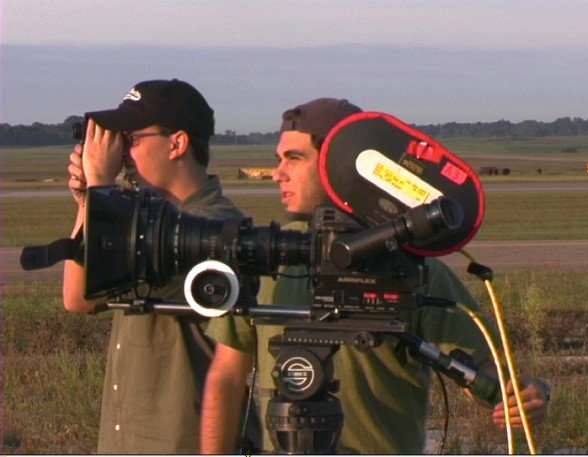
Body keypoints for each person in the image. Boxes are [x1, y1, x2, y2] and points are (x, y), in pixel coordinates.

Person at [200, 98, 551, 454]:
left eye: (294, 158)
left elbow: (487, 374)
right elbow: (227, 376)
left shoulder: (414, 271)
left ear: (339, 165)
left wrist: (527, 395)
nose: (278, 173)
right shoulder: (268, 259)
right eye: (278, 159)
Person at [62, 79, 246, 454]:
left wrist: (102, 186)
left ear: (177, 143)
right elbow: (77, 300)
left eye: (131, 141)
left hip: (178, 440)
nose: (123, 156)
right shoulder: (137, 221)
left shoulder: (216, 229)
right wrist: (89, 202)